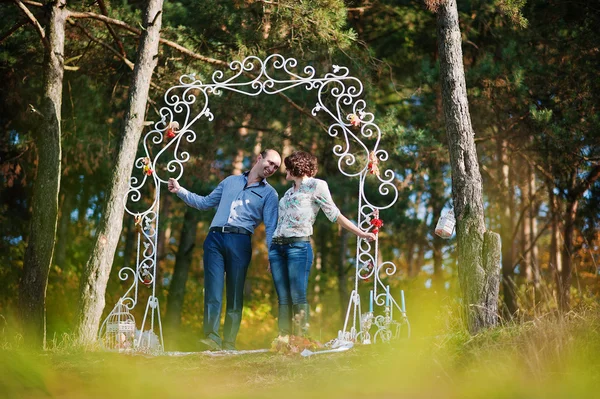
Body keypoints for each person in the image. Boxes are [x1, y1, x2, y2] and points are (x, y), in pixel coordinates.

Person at [168, 149, 281, 351]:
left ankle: (229, 343)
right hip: (214, 240)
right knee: (213, 289)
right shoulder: (230, 181)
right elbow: (204, 203)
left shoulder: (270, 194)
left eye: (276, 167)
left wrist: (272, 256)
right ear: (259, 158)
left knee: (235, 293)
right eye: (270, 163)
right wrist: (180, 191)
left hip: (240, 241)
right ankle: (211, 337)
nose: (272, 168)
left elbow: (271, 227)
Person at [268, 151, 376, 337]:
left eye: (288, 166)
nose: (284, 170)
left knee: (297, 296)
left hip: (298, 248)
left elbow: (334, 214)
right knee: (283, 298)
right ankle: (283, 340)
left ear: (297, 166)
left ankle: (300, 339)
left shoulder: (317, 186)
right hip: (277, 248)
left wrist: (361, 233)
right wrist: (271, 253)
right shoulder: (288, 191)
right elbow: (280, 222)